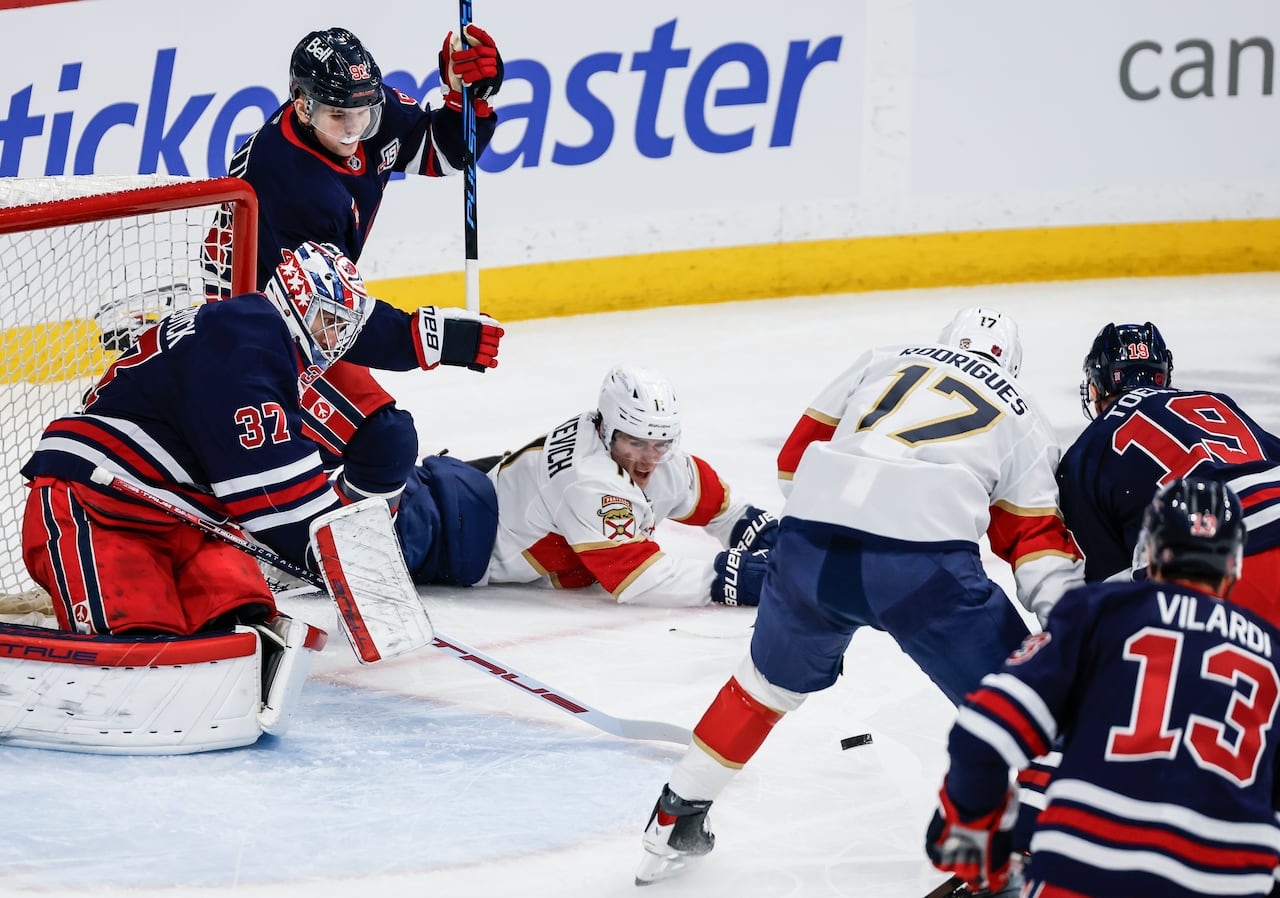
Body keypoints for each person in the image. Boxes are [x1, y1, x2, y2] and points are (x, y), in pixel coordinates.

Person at [635, 307, 1085, 885]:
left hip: (811, 545)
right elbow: (1035, 546)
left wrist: (839, 517)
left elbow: (793, 464)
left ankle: (675, 815)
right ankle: (1028, 855)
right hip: (922, 567)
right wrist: (1074, 624)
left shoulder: (884, 357)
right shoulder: (1024, 414)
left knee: (762, 688)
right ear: (1012, 366)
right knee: (1028, 705)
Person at [20, 241, 478, 636]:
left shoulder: (253, 332)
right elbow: (280, 503)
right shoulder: (247, 351)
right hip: (98, 503)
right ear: (296, 304)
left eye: (344, 326)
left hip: (188, 520)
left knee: (243, 619)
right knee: (140, 636)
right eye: (327, 321)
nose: (335, 338)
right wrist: (354, 572)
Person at [202, 24, 505, 519]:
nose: (352, 130)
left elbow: (443, 152)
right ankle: (308, 545)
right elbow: (325, 320)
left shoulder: (362, 103)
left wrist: (468, 99)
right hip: (255, 332)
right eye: (337, 116)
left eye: (363, 113)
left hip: (309, 315)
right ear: (301, 105)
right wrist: (437, 338)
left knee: (376, 442)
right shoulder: (286, 182)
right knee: (383, 441)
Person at [926, 477, 1280, 897]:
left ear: (1151, 546)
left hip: (1088, 866)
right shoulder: (1271, 651)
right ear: (1233, 562)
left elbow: (982, 736)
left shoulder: (1100, 611)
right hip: (1228, 879)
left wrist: (973, 836)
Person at [404, 363, 779, 606]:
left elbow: (727, 512)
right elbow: (638, 579)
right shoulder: (588, 481)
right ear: (607, 429)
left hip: (481, 490)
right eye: (635, 442)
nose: (649, 458)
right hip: (453, 536)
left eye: (660, 443)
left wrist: (782, 541)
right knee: (394, 517)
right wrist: (740, 577)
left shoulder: (644, 452)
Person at [1058, 320, 1280, 623]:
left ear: (1096, 386)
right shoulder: (1216, 402)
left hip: (1221, 566)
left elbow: (1110, 593)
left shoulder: (1085, 453)